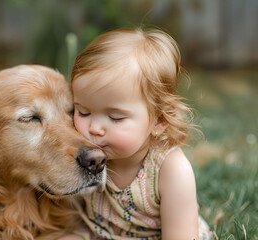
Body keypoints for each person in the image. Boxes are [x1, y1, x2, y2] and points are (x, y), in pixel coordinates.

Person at [59, 28, 211, 240]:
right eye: (83, 112)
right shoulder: (86, 153)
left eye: (115, 118)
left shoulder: (171, 170)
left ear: (159, 121)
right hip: (98, 233)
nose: (94, 128)